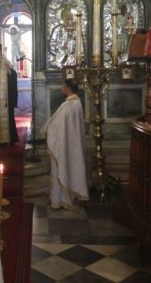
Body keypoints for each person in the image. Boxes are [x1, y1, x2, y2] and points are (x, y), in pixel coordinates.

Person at [42, 78, 89, 210]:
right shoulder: (77, 102)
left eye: (63, 86)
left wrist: (47, 130)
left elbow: (54, 125)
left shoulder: (67, 106)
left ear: (68, 88)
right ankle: (70, 195)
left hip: (63, 144)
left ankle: (59, 199)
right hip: (73, 144)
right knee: (71, 168)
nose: (62, 88)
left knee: (62, 167)